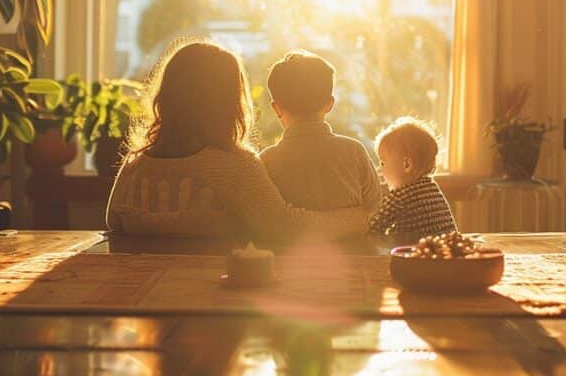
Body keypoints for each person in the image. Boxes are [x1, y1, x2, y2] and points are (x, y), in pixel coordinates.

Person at [105, 40, 369, 242]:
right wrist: (360, 217)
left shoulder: (134, 165)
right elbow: (286, 227)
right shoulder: (231, 167)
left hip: (138, 301)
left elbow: (112, 223)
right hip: (209, 300)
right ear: (229, 102)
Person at [258, 50, 383, 212]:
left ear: (276, 109)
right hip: (354, 237)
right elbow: (374, 207)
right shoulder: (354, 151)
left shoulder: (267, 162)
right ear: (330, 104)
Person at [367, 117, 458, 237]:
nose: (380, 169)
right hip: (441, 250)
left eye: (383, 162)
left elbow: (372, 227)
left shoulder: (400, 197)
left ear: (406, 165)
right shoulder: (432, 189)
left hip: (412, 252)